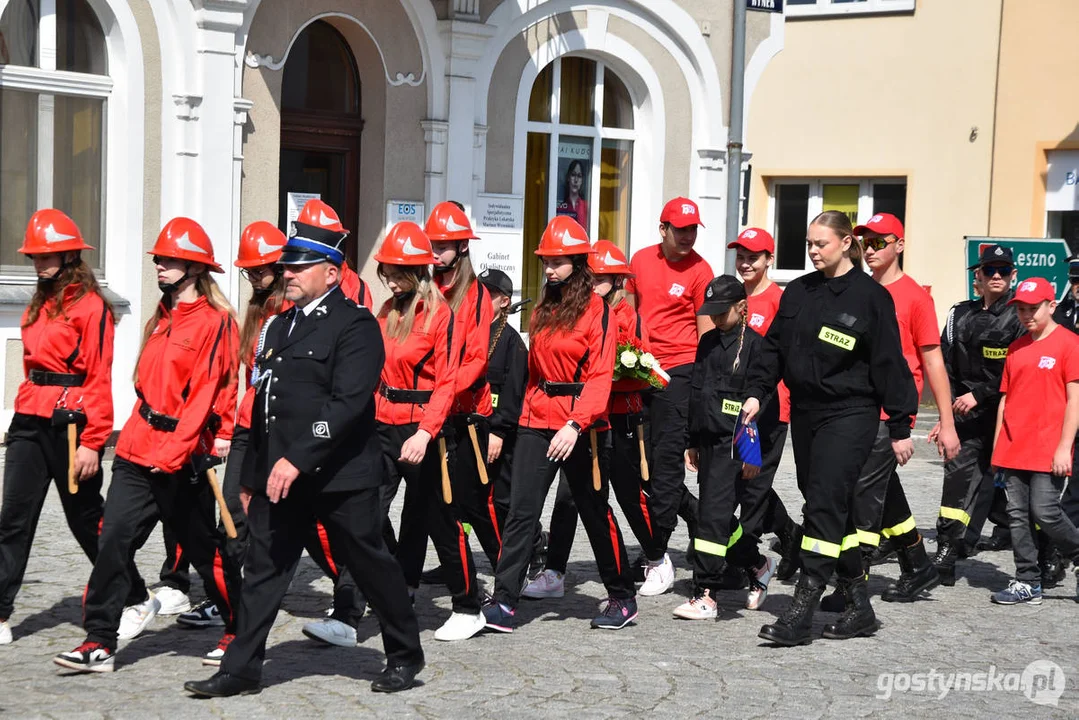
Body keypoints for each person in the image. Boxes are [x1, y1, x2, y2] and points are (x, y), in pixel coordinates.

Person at [183, 217, 424, 697]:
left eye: (299, 265)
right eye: (286, 266)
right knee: (265, 569)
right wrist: (252, 476)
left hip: (341, 476)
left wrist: (297, 457)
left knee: (371, 564)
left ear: (331, 273)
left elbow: (347, 404)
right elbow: (264, 407)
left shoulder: (355, 325)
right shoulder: (276, 326)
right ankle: (241, 668)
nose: (287, 273)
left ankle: (403, 653)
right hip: (282, 476)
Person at [54, 217, 242, 672]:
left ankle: (241, 627)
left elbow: (203, 396)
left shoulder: (216, 323)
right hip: (138, 446)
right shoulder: (161, 316)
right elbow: (145, 383)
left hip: (179, 455)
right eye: (158, 258)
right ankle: (99, 640)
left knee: (204, 550)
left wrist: (177, 452)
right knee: (113, 541)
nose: (159, 265)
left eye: (169, 259)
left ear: (195, 268)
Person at [742, 210, 917, 646]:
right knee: (823, 503)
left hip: (851, 412)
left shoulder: (870, 297)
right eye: (809, 244)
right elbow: (771, 351)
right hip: (806, 412)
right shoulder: (799, 292)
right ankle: (859, 604)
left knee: (822, 505)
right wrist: (756, 392)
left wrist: (900, 425)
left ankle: (802, 609)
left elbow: (890, 365)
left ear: (844, 243)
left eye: (821, 243)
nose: (814, 250)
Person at [482, 217, 637, 633]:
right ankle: (504, 601)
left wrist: (575, 423)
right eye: (546, 261)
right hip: (537, 419)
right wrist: (521, 419)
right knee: (521, 509)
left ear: (578, 263)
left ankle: (621, 595)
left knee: (592, 509)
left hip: (581, 427)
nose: (549, 269)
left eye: (557, 261)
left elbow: (602, 376)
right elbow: (534, 371)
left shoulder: (597, 310)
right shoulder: (543, 309)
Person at [815, 213, 959, 609]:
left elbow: (932, 362)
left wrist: (947, 424)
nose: (872, 249)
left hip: (889, 410)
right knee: (879, 486)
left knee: (862, 493)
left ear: (900, 245)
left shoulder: (915, 297)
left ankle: (851, 586)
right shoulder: (858, 289)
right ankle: (917, 563)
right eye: (867, 241)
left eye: (881, 241)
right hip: (855, 405)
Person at [0, 210, 125, 646]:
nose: (39, 263)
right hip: (29, 417)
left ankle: (130, 593)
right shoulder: (39, 302)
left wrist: (94, 442)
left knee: (86, 519)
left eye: (47, 255)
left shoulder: (92, 307)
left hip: (71, 423)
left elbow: (100, 377)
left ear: (70, 254)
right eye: (34, 256)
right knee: (13, 518)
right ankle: (0, 612)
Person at [524, 240, 663, 599]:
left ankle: (656, 556)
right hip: (585, 422)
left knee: (629, 497)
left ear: (618, 282)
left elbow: (648, 372)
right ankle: (554, 570)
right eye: (593, 276)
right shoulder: (574, 311)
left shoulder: (628, 319)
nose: (593, 282)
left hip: (621, 419)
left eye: (602, 278)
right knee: (569, 498)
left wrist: (608, 377)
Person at [373, 221, 484, 642]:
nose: (392, 279)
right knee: (368, 514)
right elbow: (377, 372)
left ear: (419, 272)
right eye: (388, 271)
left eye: (400, 272)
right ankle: (366, 600)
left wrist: (425, 433)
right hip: (383, 426)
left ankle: (468, 605)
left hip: (424, 432)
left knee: (440, 521)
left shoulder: (441, 315)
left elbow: (447, 382)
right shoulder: (386, 311)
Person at [671, 275, 778, 620]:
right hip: (707, 442)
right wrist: (692, 441)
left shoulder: (757, 347)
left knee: (712, 520)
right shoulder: (708, 344)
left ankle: (706, 593)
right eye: (711, 312)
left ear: (741, 307)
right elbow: (697, 394)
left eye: (722, 312)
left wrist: (751, 456)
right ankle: (758, 565)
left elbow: (761, 396)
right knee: (713, 518)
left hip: (735, 446)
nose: (715, 318)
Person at [625, 197, 712, 596]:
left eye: (693, 230)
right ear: (663, 229)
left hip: (679, 373)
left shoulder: (700, 270)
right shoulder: (640, 261)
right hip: (638, 369)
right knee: (633, 465)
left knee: (664, 464)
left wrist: (702, 385)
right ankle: (690, 514)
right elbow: (627, 312)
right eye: (681, 230)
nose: (688, 237)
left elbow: (706, 334)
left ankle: (658, 554)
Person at [934, 244, 1024, 585]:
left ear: (1013, 275)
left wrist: (980, 394)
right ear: (979, 276)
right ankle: (946, 552)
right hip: (966, 417)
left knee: (1021, 493)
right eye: (990, 270)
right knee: (956, 483)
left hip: (1007, 417)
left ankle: (1043, 559)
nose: (997, 276)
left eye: (1003, 270)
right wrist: (946, 415)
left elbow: (1017, 370)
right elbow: (944, 364)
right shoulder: (959, 315)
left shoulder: (1020, 316)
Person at [988, 277, 1079, 605]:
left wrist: (1063, 447)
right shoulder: (1016, 348)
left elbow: (1075, 401)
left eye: (1034, 308)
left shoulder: (1070, 344)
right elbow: (1005, 399)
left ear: (1052, 306)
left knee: (1045, 512)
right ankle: (1027, 580)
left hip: (1048, 447)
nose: (1027, 315)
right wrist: (999, 445)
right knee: (1017, 515)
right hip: (1014, 447)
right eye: (1022, 309)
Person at [424, 202, 501, 570]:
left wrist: (444, 391)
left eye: (443, 245)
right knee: (435, 500)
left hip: (468, 413)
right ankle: (451, 567)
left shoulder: (478, 295)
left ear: (463, 247)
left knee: (474, 501)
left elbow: (476, 360)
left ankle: (507, 569)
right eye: (432, 244)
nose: (435, 252)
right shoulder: (424, 290)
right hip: (432, 411)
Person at [727, 228, 799, 583]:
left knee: (754, 484)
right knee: (742, 482)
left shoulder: (779, 300)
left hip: (771, 408)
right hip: (738, 407)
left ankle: (747, 559)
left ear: (769, 259)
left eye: (753, 257)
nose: (745, 263)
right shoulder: (734, 296)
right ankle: (789, 535)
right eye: (740, 256)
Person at [475, 269, 532, 546]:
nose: (483, 298)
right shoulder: (469, 331)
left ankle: (531, 546)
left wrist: (498, 431)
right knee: (464, 499)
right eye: (480, 292)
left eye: (491, 294)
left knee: (502, 500)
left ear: (505, 301)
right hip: (471, 428)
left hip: (500, 434)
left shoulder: (512, 342)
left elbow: (513, 393)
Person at [556, 160, 588, 229]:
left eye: (579, 176)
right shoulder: (561, 208)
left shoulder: (586, 207)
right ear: (568, 178)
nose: (576, 180)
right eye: (573, 175)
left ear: (582, 180)